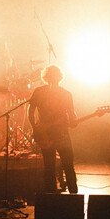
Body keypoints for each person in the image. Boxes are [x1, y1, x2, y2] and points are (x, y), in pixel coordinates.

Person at [28, 64, 78, 194]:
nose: (53, 81)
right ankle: (73, 198)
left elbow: (72, 116)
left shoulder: (61, 93)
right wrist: (35, 129)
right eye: (51, 78)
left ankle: (55, 198)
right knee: (65, 167)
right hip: (51, 135)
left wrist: (35, 128)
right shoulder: (42, 92)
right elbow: (30, 111)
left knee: (55, 167)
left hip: (58, 134)